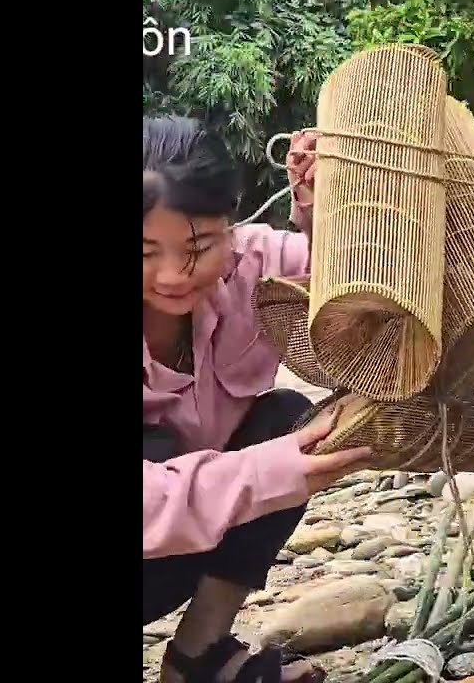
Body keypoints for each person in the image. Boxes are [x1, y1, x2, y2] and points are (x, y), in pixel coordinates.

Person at [143, 115, 373, 683]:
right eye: (145, 251)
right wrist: (267, 471)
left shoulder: (253, 266)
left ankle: (198, 655)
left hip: (188, 540)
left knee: (288, 421)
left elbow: (357, 285)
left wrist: (323, 212)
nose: (173, 275)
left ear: (231, 224)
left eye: (198, 246)